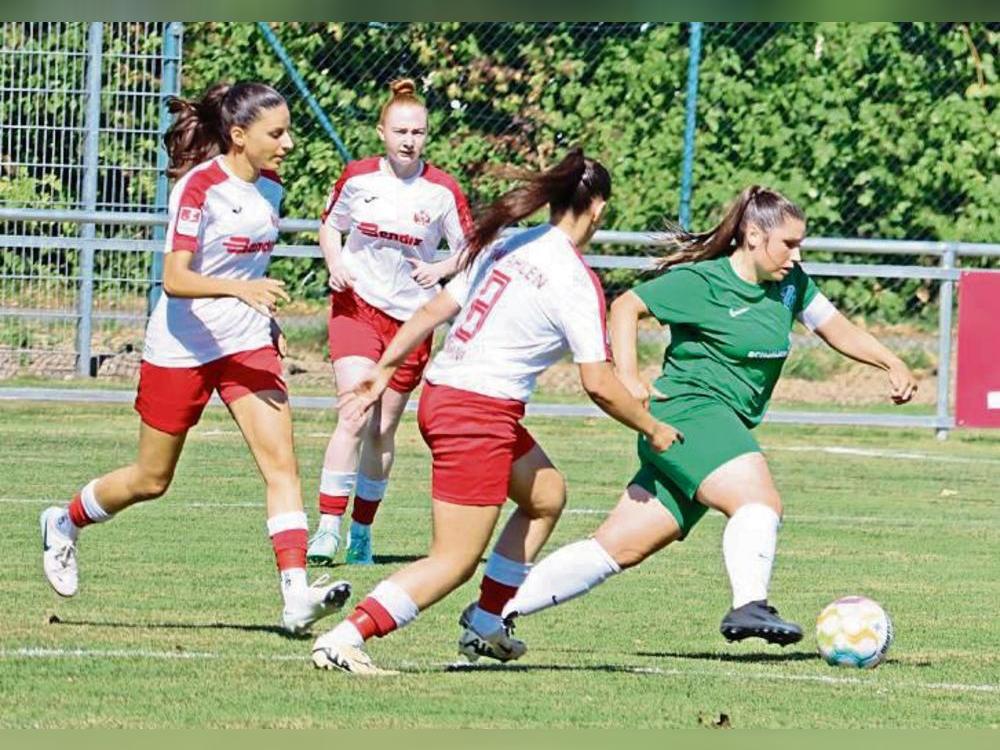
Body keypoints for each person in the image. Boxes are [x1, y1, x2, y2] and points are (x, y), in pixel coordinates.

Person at [466, 185, 918, 657]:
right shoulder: (703, 282)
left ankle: (491, 613)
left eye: (800, 243)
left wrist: (891, 361)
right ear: (753, 235)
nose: (796, 253)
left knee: (617, 548)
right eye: (788, 243)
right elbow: (626, 306)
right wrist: (629, 375)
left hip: (707, 429)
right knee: (758, 499)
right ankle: (750, 605)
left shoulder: (791, 284)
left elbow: (836, 327)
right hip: (690, 413)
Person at [310, 148, 682, 674]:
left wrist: (385, 367)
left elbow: (436, 307)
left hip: (451, 395)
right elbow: (597, 383)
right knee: (454, 559)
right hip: (475, 412)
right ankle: (347, 636)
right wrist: (651, 426)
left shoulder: (511, 242)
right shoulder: (574, 279)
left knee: (546, 494)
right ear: (598, 209)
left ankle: (487, 619)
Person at [39, 81, 349, 634]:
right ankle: (64, 521)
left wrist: (265, 317)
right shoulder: (198, 188)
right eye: (276, 133)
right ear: (238, 136)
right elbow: (174, 279)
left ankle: (296, 597)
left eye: (287, 131)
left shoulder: (272, 189)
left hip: (244, 343)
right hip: (181, 346)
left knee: (282, 467)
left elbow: (247, 273)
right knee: (151, 479)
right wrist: (239, 293)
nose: (289, 143)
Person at [307, 78, 474, 567]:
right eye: (400, 130)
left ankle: (362, 529)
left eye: (418, 132)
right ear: (382, 131)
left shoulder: (442, 191)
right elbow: (330, 227)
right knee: (355, 411)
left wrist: (440, 269)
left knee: (382, 429)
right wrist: (335, 262)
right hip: (357, 308)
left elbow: (469, 248)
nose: (409, 140)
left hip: (412, 321)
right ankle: (326, 529)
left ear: (426, 136)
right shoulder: (358, 178)